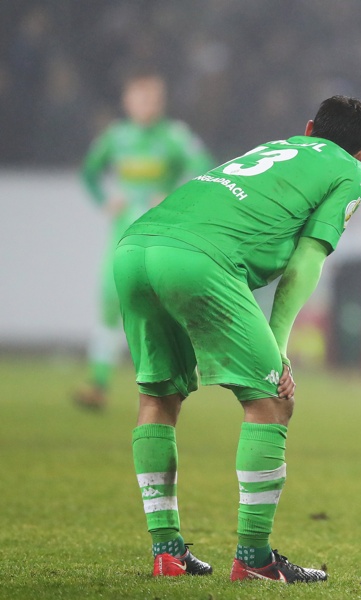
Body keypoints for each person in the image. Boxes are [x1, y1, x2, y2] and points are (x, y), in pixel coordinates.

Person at [113, 96, 361, 582]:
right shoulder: (351, 172)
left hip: (133, 247)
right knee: (270, 400)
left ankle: (167, 552)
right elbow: (306, 262)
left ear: (308, 129)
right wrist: (278, 347)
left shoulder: (275, 148)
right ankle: (255, 560)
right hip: (198, 259)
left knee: (158, 394)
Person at [75, 68, 213, 410]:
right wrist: (104, 201)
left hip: (160, 236)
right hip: (122, 236)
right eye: (141, 96)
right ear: (128, 100)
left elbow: (205, 168)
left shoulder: (175, 136)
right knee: (110, 303)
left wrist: (174, 195)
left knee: (165, 307)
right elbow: (90, 172)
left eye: (154, 97)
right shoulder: (116, 137)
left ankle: (178, 377)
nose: (148, 104)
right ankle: (99, 384)